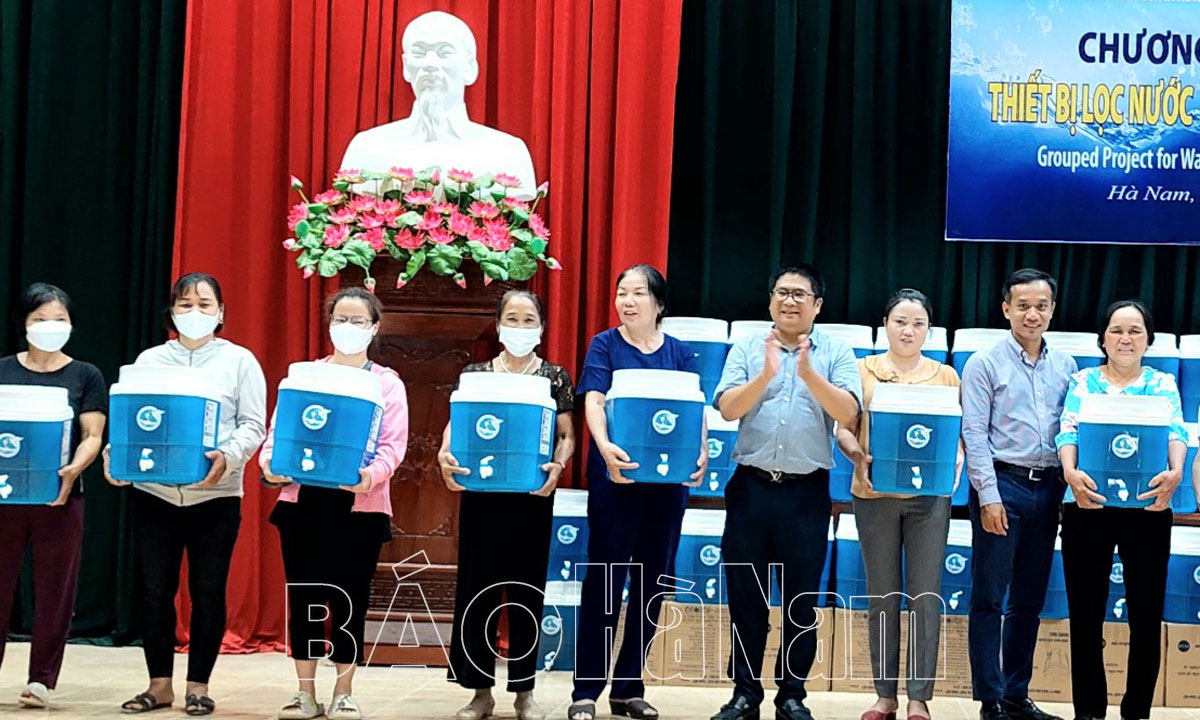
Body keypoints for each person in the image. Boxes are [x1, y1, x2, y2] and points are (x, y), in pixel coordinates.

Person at [104, 272, 267, 717]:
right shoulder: (150, 360)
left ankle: (199, 687)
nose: (194, 312)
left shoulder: (240, 361)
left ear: (221, 312)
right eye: (185, 304)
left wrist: (228, 456)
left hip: (215, 495)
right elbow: (133, 421)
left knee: (208, 591)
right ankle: (159, 686)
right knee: (154, 591)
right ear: (171, 313)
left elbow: (253, 424)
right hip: (153, 493)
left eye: (204, 304)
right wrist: (116, 456)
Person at [711, 265, 862, 720]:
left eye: (800, 294)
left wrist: (809, 373)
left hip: (805, 493)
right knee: (747, 598)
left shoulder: (837, 351)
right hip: (751, 488)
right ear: (771, 299)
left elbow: (849, 413)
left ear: (817, 305)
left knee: (800, 600)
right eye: (782, 292)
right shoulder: (748, 347)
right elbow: (726, 408)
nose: (789, 301)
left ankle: (792, 694)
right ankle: (744, 693)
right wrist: (767, 374)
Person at [261, 287, 408, 720]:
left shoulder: (386, 383)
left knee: (350, 601)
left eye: (358, 321)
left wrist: (368, 477)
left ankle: (344, 691)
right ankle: (304, 693)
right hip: (302, 503)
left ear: (374, 328)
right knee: (305, 600)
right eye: (340, 319)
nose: (347, 327)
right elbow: (278, 434)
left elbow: (393, 446)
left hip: (359, 508)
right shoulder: (305, 375)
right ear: (329, 325)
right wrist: (270, 465)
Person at [568, 264, 707, 720]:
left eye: (638, 293)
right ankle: (586, 690)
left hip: (666, 486)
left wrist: (702, 451)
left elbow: (695, 409)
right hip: (617, 478)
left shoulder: (681, 352)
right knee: (605, 580)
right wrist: (604, 447)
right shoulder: (605, 344)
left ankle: (629, 687)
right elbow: (593, 399)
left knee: (652, 582)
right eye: (621, 293)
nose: (627, 301)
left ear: (659, 304)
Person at [438, 289, 576, 720]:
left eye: (528, 319)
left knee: (526, 593)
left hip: (531, 498)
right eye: (511, 319)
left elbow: (566, 434)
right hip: (482, 498)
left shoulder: (554, 376)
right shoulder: (475, 374)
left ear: (541, 327)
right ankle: (479, 692)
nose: (519, 327)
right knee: (476, 592)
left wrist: (558, 467)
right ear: (498, 326)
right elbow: (455, 426)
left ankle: (524, 692)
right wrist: (444, 455)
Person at [836, 289, 962, 720]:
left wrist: (957, 459)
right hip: (874, 496)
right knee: (882, 596)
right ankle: (884, 696)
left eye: (918, 324)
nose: (908, 331)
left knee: (925, 595)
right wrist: (857, 454)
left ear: (929, 330)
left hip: (929, 501)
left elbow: (957, 435)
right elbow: (844, 427)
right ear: (885, 326)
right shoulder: (861, 370)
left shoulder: (947, 376)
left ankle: (918, 697)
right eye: (900, 322)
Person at [1056, 300, 1186, 720]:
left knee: (1146, 617)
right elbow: (1067, 430)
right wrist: (1070, 473)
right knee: (1085, 615)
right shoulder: (1084, 381)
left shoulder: (1163, 384)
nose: (1125, 339)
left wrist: (1176, 472)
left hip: (1148, 508)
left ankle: (1137, 711)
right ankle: (1088, 711)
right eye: (1116, 330)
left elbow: (1176, 431)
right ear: (1103, 338)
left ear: (1148, 339)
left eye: (1135, 331)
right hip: (1087, 505)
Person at [961, 268, 1076, 720]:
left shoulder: (1066, 366)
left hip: (1048, 487)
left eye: (1041, 306)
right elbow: (974, 433)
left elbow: (1072, 429)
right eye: (1023, 305)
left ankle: (1016, 694)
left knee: (1029, 599)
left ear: (1052, 310)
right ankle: (990, 699)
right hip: (1002, 485)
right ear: (1006, 308)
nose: (1033, 314)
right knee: (989, 597)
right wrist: (988, 495)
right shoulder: (984, 363)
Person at [0, 283, 107, 708]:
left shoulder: (86, 375)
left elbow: (92, 434)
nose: (50, 326)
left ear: (71, 324)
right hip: (5, 498)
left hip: (60, 498)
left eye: (59, 319)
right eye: (40, 319)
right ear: (23, 323)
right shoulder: (3, 370)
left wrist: (74, 468)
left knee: (55, 591)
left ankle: (41, 679)